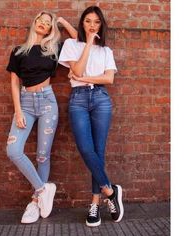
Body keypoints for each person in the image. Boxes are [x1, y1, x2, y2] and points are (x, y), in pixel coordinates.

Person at [6, 11, 77, 224]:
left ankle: (35, 202)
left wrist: (62, 22)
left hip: (47, 102)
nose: (44, 25)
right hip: (25, 104)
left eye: (48, 24)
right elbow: (14, 83)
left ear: (50, 29)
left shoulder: (53, 49)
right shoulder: (18, 51)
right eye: (41, 21)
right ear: (34, 23)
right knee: (13, 150)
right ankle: (43, 189)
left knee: (42, 155)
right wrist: (18, 111)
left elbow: (76, 39)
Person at [58, 6, 124, 227]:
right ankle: (110, 190)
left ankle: (95, 202)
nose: (92, 25)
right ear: (82, 23)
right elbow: (76, 69)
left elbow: (109, 80)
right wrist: (86, 43)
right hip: (77, 100)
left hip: (101, 100)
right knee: (86, 149)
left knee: (98, 151)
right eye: (88, 21)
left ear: (101, 24)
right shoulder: (70, 44)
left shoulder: (106, 51)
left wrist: (84, 78)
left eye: (96, 22)